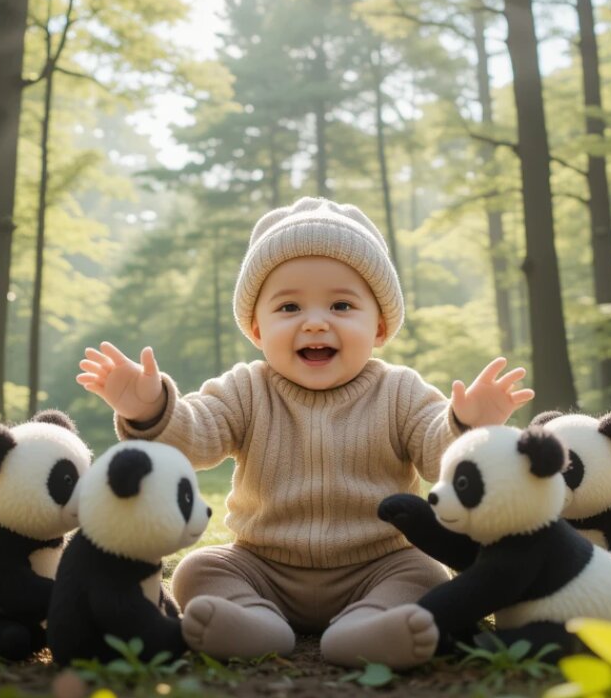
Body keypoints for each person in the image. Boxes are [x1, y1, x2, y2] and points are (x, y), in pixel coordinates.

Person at [77, 197, 534, 668]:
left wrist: (470, 427)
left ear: (378, 326)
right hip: (263, 565)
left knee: (427, 574)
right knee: (199, 568)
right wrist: (148, 408)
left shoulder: (400, 390)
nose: (315, 321)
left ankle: (368, 626)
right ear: (257, 328)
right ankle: (254, 622)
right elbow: (195, 437)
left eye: (341, 304)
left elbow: (441, 459)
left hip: (378, 564)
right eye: (290, 306)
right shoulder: (246, 388)